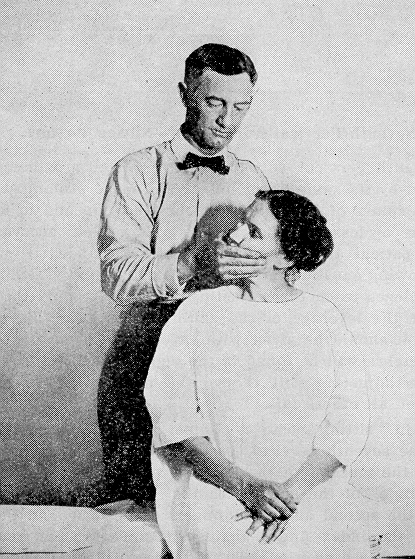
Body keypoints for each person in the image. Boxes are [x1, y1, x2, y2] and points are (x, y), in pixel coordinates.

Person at [144, 190, 371, 558]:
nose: (233, 237)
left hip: (306, 491)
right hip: (219, 488)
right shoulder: (197, 312)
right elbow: (173, 418)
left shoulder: (323, 319)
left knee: (321, 539)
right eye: (240, 225)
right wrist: (246, 488)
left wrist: (289, 496)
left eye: (253, 232)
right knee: (232, 544)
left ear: (284, 257)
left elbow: (348, 420)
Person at [97, 43, 271, 506]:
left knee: (225, 506)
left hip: (229, 359)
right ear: (184, 94)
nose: (227, 120)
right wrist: (193, 264)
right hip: (147, 350)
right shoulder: (137, 170)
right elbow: (116, 275)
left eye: (241, 106)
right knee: (142, 508)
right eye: (214, 102)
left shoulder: (253, 180)